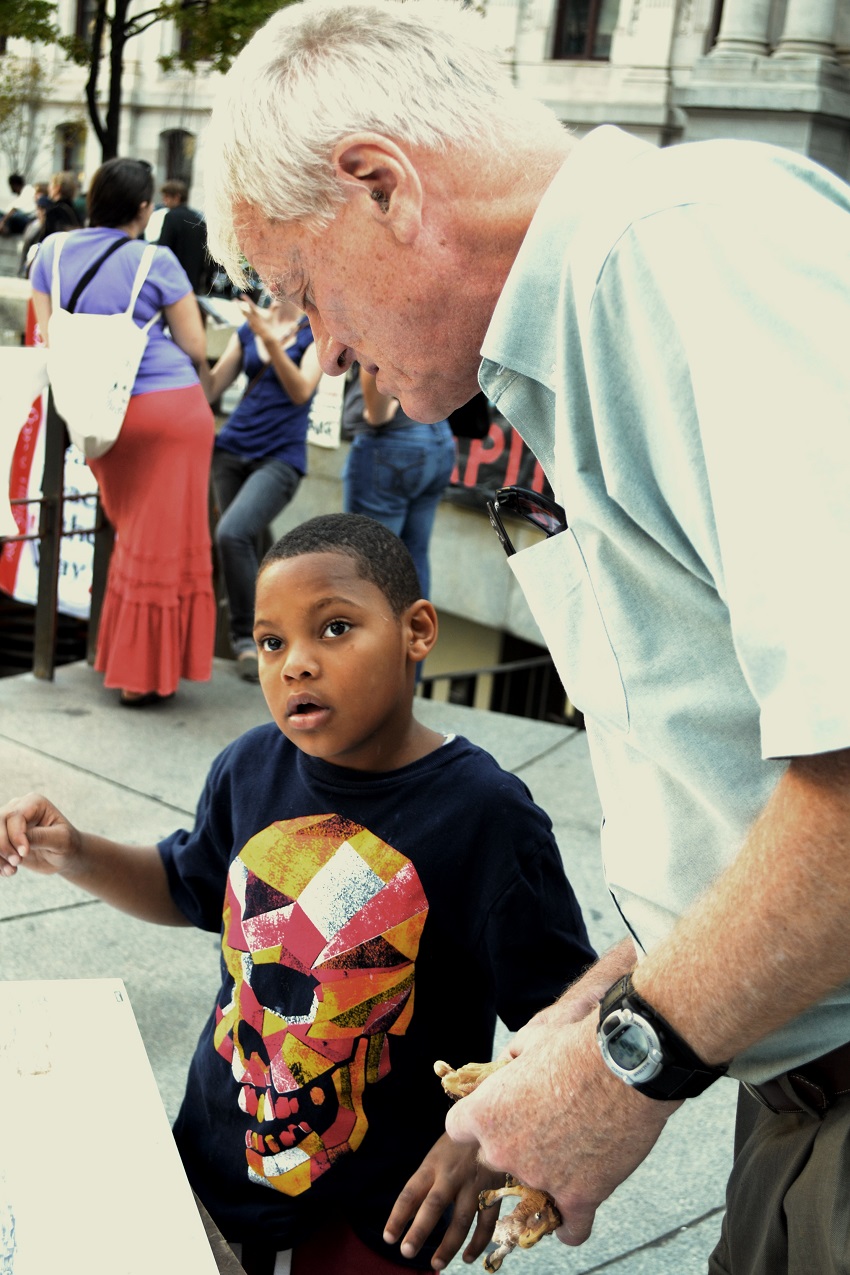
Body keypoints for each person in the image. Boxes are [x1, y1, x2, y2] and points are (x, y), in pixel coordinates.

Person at [198, 4, 850, 1273]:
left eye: (301, 291)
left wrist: (631, 1062)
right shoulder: (607, 309)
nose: (324, 352)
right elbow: (750, 775)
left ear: (380, 184)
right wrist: (609, 998)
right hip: (792, 1084)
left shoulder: (682, 258)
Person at [0, 511, 595, 1274]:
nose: (296, 664)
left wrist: (484, 1137)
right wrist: (78, 852)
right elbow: (185, 883)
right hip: (212, 1166)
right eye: (273, 641)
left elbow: (568, 1020)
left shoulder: (487, 815)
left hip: (379, 1216)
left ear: (417, 630)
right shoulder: (249, 765)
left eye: (335, 628)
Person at [30, 156, 216, 707]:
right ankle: (142, 677)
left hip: (96, 414)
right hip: (169, 410)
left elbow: (49, 332)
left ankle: (128, 660)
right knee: (161, 544)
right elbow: (197, 346)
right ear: (142, 208)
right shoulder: (154, 261)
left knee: (136, 537)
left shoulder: (51, 252)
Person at [207, 294, 322, 680]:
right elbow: (210, 388)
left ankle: (245, 638)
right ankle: (276, 640)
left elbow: (302, 390)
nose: (272, 285)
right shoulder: (247, 329)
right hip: (229, 450)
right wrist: (188, 336)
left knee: (232, 534)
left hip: (280, 458)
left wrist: (270, 340)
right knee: (253, 545)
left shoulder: (314, 333)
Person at [343, 366, 455, 599]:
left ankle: (379, 635)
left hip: (394, 438)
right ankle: (417, 635)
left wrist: (376, 414)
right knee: (414, 553)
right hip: (437, 437)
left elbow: (374, 360)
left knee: (371, 560)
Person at [156, 178, 212, 296]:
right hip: (193, 282)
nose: (164, 201)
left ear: (176, 197)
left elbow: (163, 248)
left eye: (166, 197)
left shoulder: (171, 217)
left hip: (172, 280)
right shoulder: (199, 220)